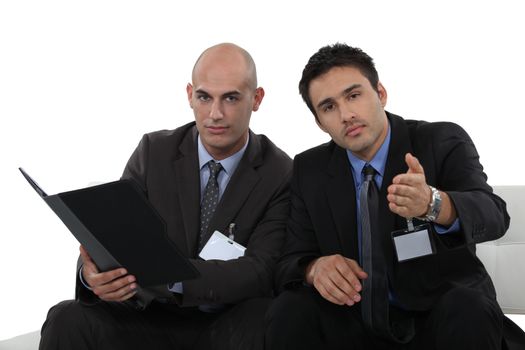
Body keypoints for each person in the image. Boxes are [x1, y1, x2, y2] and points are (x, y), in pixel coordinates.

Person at [265, 43, 525, 350]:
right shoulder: (310, 168)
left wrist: (434, 204)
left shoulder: (440, 141)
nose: (346, 115)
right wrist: (313, 269)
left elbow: (494, 216)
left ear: (381, 93)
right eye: (329, 107)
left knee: (467, 307)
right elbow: (289, 259)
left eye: (354, 95)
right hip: (353, 321)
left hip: (437, 317)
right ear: (320, 122)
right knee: (289, 310)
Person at [39, 43, 292, 350]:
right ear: (189, 95)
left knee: (267, 316)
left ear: (256, 99)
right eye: (204, 97)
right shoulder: (154, 152)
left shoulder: (281, 173)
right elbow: (114, 235)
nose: (215, 113)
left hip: (227, 323)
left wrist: (172, 279)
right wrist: (91, 273)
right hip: (150, 318)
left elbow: (260, 271)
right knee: (67, 317)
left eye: (231, 98)